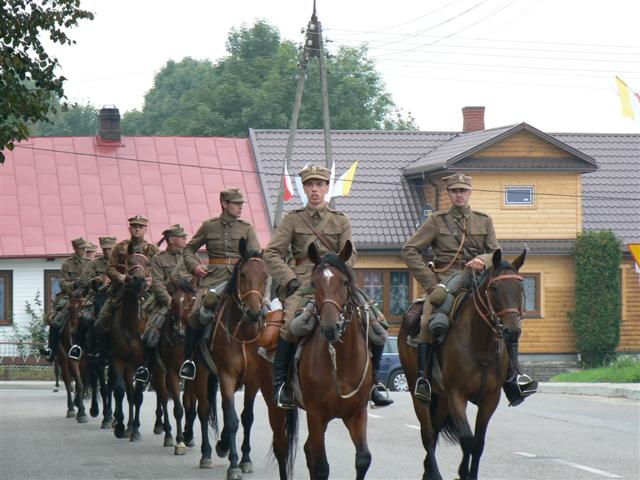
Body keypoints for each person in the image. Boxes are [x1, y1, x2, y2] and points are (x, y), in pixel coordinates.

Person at [401, 173, 537, 406]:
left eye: (463, 191)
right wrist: (431, 284)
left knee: (507, 320)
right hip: (444, 281)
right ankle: (423, 379)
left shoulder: (483, 220)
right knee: (426, 322)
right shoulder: (436, 221)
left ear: (469, 193)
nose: (459, 195)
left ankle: (513, 378)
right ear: (449, 194)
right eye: (454, 191)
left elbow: (496, 252)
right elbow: (409, 250)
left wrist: (483, 260)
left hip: (478, 281)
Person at [264, 164, 393, 409]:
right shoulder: (292, 220)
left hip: (336, 283)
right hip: (303, 282)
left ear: (327, 188)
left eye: (320, 185)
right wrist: (289, 278)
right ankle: (282, 384)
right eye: (310, 185)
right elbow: (271, 253)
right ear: (304, 189)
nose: (315, 190)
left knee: (375, 323)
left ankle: (375, 383)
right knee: (290, 325)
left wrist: (338, 269)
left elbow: (350, 252)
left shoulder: (340, 220)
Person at [178, 188, 261, 380]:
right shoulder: (209, 226)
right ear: (224, 204)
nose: (240, 207)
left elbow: (255, 256)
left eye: (241, 204)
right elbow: (189, 249)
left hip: (241, 279)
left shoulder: (247, 228)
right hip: (214, 278)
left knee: (263, 311)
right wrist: (195, 267)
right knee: (195, 315)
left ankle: (263, 357)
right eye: (236, 203)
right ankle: (189, 362)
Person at [134, 224, 189, 383]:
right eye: (182, 236)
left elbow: (198, 280)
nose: (185, 239)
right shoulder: (159, 259)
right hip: (167, 302)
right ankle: (145, 367)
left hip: (189, 302)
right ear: (171, 240)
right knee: (150, 333)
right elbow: (157, 284)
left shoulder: (191, 257)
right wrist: (170, 301)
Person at [94, 216, 160, 339]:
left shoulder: (153, 249)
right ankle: (100, 354)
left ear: (146, 229)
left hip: (146, 291)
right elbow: (110, 268)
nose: (137, 229)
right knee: (100, 322)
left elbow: (159, 270)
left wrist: (152, 279)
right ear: (130, 229)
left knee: (162, 321)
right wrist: (119, 276)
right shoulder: (120, 247)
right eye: (134, 226)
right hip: (121, 290)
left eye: (140, 227)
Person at [43, 237, 92, 362]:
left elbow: (94, 281)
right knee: (56, 320)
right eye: (81, 248)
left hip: (86, 297)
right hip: (68, 297)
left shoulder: (90, 263)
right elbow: (62, 282)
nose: (84, 251)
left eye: (85, 248)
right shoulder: (67, 263)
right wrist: (73, 285)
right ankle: (51, 349)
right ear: (75, 249)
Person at [68, 236, 116, 360]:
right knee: (84, 318)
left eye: (109, 249)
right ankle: (77, 346)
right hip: (99, 297)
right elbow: (87, 281)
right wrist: (97, 281)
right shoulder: (95, 263)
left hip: (117, 297)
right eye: (104, 249)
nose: (107, 252)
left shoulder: (121, 262)